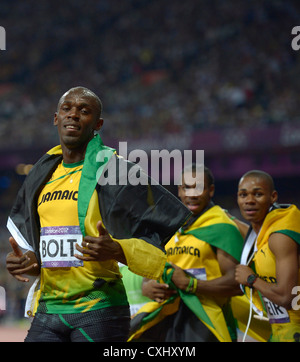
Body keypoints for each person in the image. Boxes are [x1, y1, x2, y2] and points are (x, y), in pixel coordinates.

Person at [5, 86, 191, 342]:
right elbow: (49, 253)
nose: (73, 115)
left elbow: (158, 232)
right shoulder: (41, 176)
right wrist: (30, 262)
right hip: (49, 310)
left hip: (99, 309)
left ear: (98, 123)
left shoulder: (116, 172)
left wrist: (117, 249)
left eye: (84, 111)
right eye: (66, 109)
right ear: (55, 118)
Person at [129, 164, 245, 342]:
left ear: (211, 190)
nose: (192, 194)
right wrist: (149, 286)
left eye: (198, 187)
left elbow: (236, 284)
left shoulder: (222, 228)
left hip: (207, 322)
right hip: (168, 316)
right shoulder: (169, 227)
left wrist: (191, 285)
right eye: (186, 188)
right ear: (179, 191)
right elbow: (154, 270)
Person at [235, 170, 300, 342]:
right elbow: (252, 238)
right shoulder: (262, 233)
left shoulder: (280, 237)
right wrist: (225, 216)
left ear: (273, 197)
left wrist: (251, 279)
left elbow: (286, 297)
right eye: (243, 195)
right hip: (279, 328)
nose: (249, 200)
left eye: (258, 194)